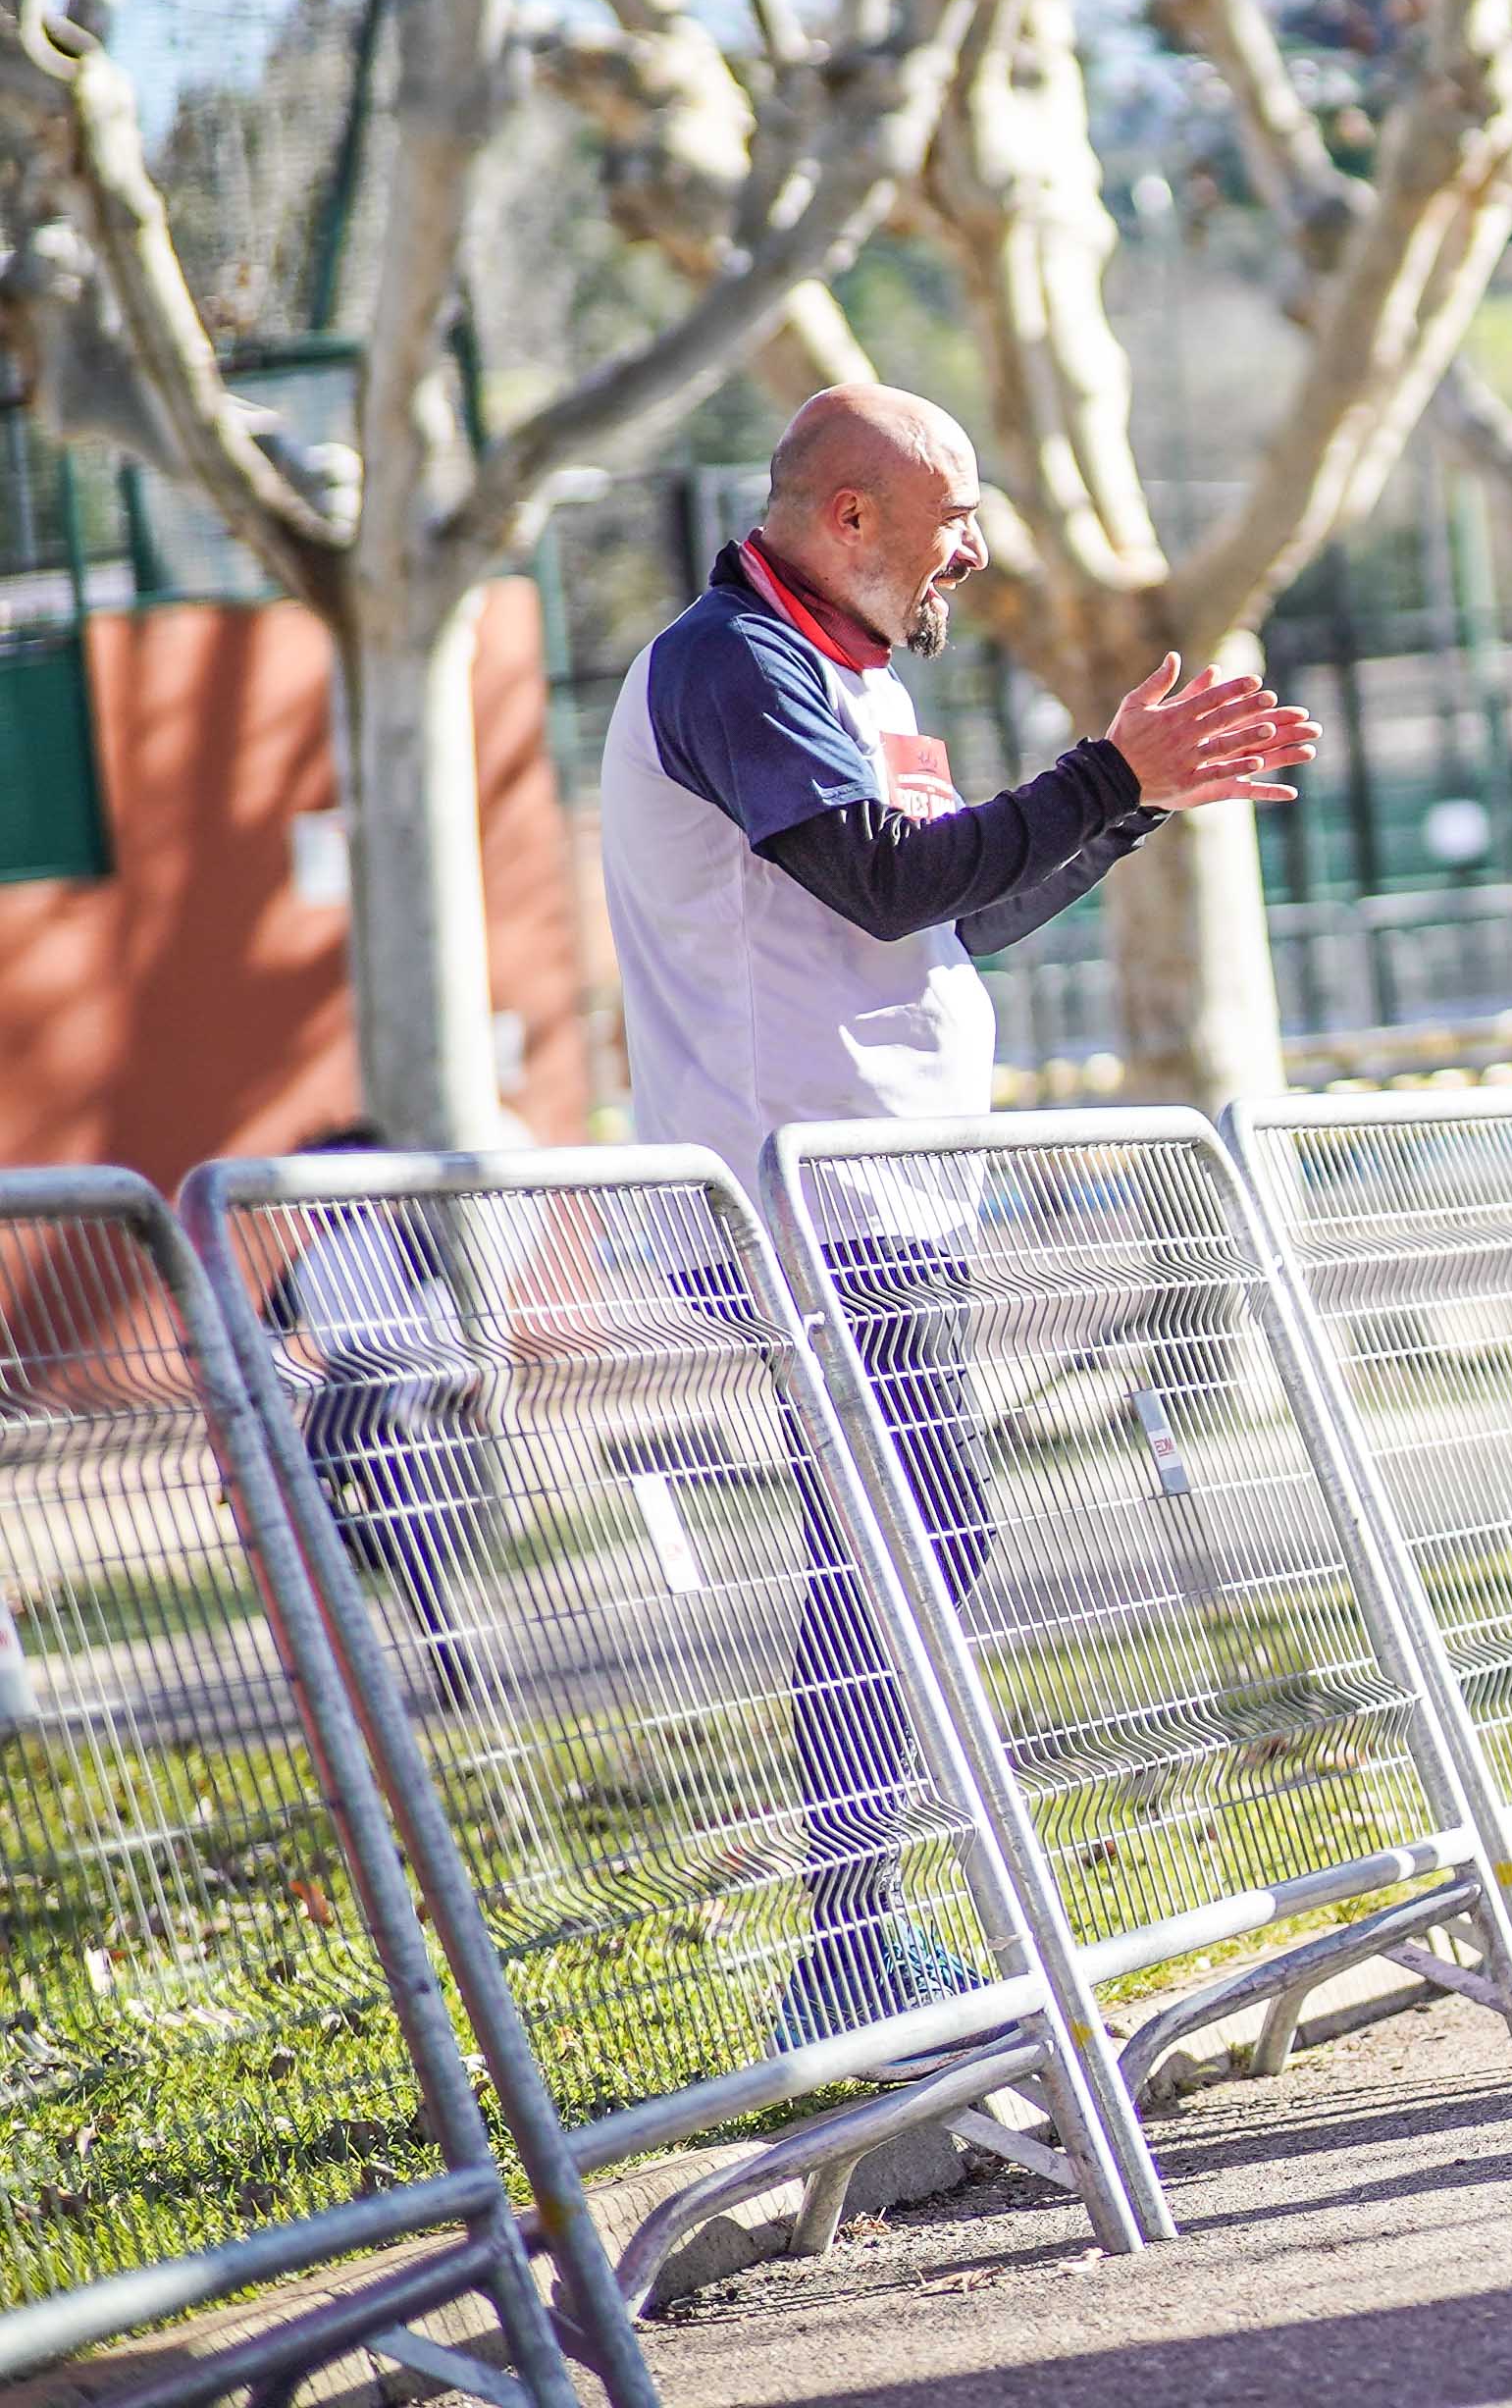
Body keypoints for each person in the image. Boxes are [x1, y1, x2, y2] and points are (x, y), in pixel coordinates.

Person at [604, 385, 1318, 2049]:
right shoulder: (735, 661)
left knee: (917, 1533)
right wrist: (1096, 767)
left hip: (882, 1190)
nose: (977, 551)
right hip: (802, 1187)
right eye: (956, 514)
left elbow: (950, 925)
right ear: (848, 516)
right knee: (901, 1537)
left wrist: (1132, 801)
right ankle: (848, 1945)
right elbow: (889, 879)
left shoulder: (838, 675)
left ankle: (862, 1933)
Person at [259, 1131, 492, 1709]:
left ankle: (426, 1635)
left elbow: (265, 1341)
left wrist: (306, 1385)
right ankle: (430, 1636)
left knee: (367, 1524)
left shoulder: (371, 1246)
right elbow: (437, 1322)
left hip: (364, 1395)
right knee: (398, 1531)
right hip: (372, 1393)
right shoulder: (370, 1245)